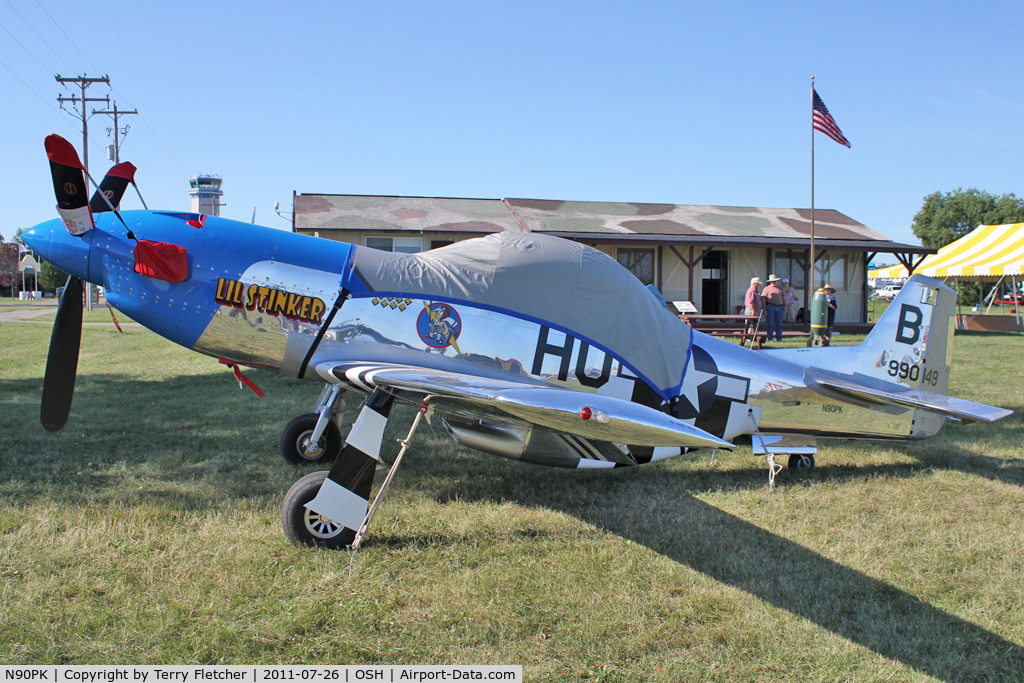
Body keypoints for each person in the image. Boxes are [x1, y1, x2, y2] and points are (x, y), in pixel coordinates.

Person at [761, 274, 784, 342]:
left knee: (779, 323)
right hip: (770, 306)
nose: (775, 282)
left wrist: (785, 306)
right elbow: (763, 299)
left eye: (776, 281)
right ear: (770, 282)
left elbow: (783, 297)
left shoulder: (780, 288)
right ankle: (770, 338)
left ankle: (779, 338)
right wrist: (764, 309)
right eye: (773, 281)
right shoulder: (766, 289)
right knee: (770, 323)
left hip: (779, 307)